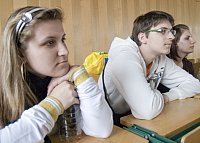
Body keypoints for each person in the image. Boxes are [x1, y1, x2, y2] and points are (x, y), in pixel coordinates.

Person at [0, 6, 113, 143]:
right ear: (20, 53)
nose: (64, 51)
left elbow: (101, 129)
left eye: (63, 39)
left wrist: (80, 75)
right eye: (50, 43)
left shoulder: (64, 80)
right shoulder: (4, 92)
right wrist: (54, 104)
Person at [98, 11, 200, 126]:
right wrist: (154, 99)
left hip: (137, 118)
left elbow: (195, 84)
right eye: (162, 31)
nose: (171, 37)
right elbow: (148, 109)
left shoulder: (160, 58)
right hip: (108, 121)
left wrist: (166, 96)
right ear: (142, 37)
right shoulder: (123, 55)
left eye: (171, 31)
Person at [158, 24, 196, 93]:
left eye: (191, 37)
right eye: (187, 38)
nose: (193, 41)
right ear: (174, 42)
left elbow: (194, 88)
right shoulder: (162, 63)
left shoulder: (188, 64)